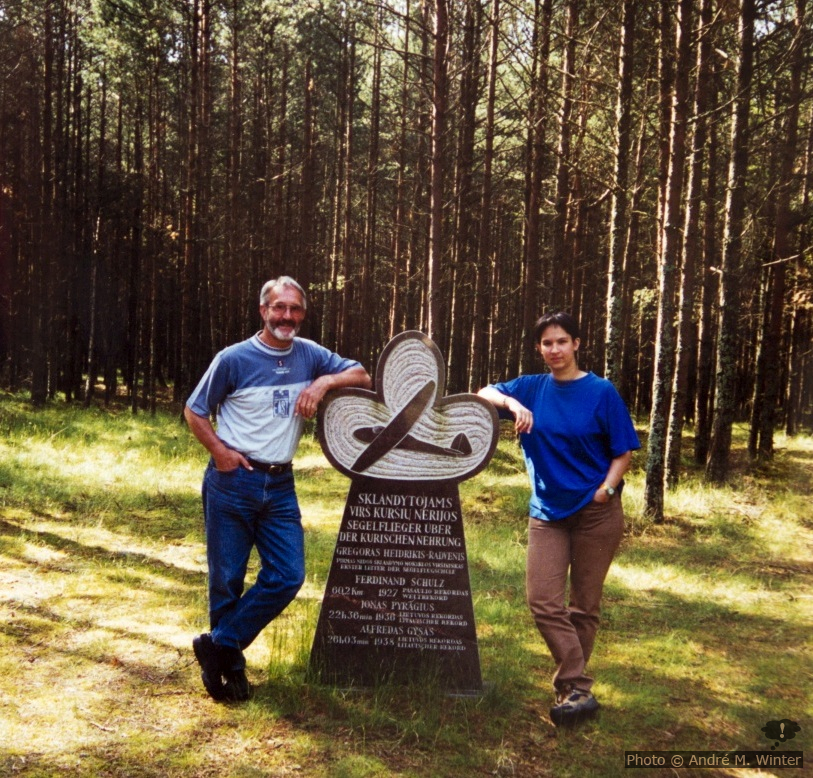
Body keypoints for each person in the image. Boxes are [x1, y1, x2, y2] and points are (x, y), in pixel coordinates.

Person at [184, 276, 372, 701]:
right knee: (227, 579)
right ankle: (229, 670)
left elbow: (361, 374)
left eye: (295, 309)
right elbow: (195, 411)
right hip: (233, 480)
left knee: (288, 575)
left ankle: (219, 643)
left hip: (281, 483)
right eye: (279, 307)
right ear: (263, 311)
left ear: (303, 314)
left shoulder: (309, 355)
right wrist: (219, 452)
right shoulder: (233, 359)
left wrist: (322, 383)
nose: (287, 316)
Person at [478, 312, 639, 726]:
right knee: (543, 602)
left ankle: (572, 691)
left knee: (584, 606)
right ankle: (579, 684)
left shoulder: (601, 392)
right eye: (547, 343)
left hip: (596, 513)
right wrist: (513, 404)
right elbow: (483, 393)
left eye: (562, 341)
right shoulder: (532, 388)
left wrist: (606, 490)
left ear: (577, 344)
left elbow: (623, 452)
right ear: (539, 348)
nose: (555, 350)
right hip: (547, 513)